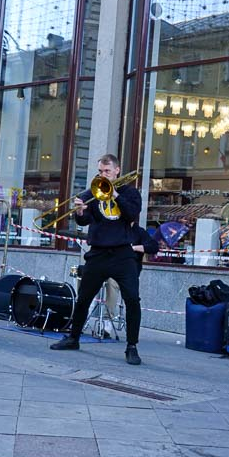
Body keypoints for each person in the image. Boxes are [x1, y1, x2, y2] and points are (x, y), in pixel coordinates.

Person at [50, 154, 144, 365]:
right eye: (100, 171)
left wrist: (115, 194)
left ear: (117, 170)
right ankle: (74, 338)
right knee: (83, 298)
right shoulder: (93, 191)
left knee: (132, 299)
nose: (102, 175)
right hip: (98, 252)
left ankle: (132, 346)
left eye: (107, 171)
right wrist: (80, 211)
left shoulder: (130, 193)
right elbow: (85, 221)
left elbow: (131, 214)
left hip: (122, 253)